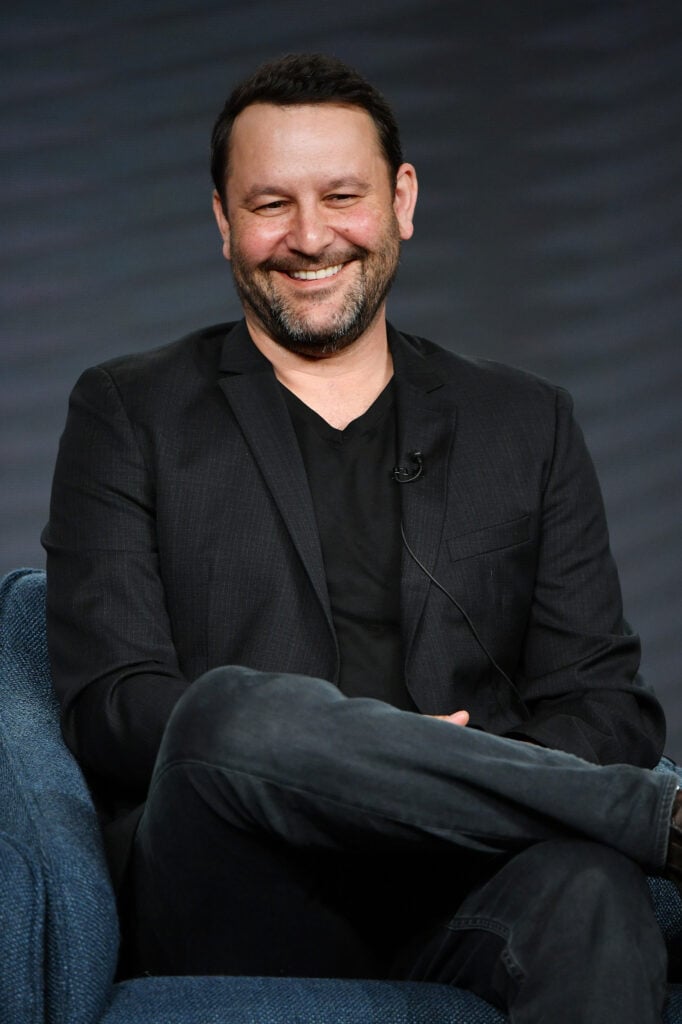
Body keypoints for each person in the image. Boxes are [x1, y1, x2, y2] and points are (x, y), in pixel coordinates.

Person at [42, 53, 682, 1022]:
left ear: (400, 201)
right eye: (269, 205)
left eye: (341, 196)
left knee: (593, 894)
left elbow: (604, 706)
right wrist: (355, 758)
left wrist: (434, 782)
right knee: (231, 717)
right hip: (237, 884)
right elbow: (111, 706)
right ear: (222, 220)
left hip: (460, 877)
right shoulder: (129, 409)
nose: (308, 238)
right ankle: (663, 821)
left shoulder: (523, 419)